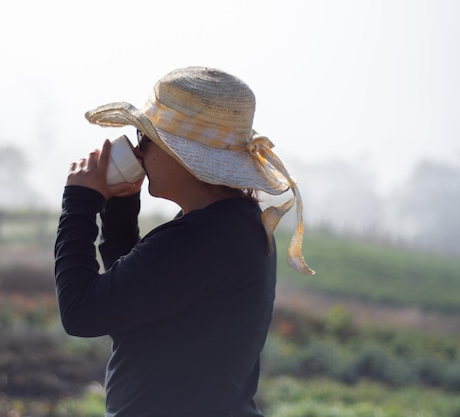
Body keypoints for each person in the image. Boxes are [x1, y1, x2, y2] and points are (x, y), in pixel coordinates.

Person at [54, 66, 314, 417]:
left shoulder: (200, 240)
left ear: (182, 155)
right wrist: (119, 208)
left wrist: (79, 205)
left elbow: (81, 313)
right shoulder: (230, 226)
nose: (139, 150)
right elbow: (131, 300)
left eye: (147, 139)